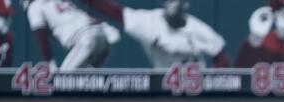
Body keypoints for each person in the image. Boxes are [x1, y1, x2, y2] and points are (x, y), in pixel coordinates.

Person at [82, 0, 228, 69]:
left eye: (177, 2)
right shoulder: (149, 21)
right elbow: (116, 13)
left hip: (194, 87)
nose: (173, 5)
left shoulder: (199, 29)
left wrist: (212, 82)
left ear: (185, 6)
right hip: (163, 84)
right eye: (170, 2)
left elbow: (221, 57)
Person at [24, 0, 114, 70]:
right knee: (89, 81)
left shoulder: (34, 6)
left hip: (85, 38)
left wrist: (50, 64)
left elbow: (41, 36)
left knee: (62, 81)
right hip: (102, 37)